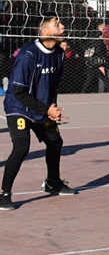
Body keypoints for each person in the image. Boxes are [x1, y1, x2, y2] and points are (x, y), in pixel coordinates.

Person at [1, 14, 78, 210]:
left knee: (55, 141)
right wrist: (47, 109)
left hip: (41, 108)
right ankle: (4, 194)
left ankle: (52, 182)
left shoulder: (59, 54)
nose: (62, 25)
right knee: (21, 147)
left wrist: (53, 110)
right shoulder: (28, 55)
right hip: (18, 107)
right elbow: (18, 91)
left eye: (62, 22)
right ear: (44, 32)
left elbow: (53, 86)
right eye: (57, 24)